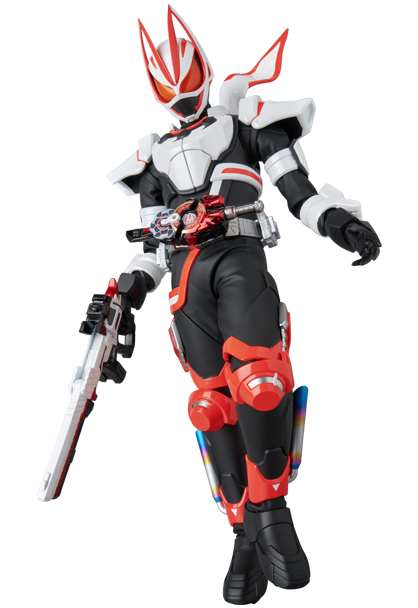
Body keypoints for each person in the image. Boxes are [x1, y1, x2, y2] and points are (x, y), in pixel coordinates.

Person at [107, 6, 381, 605]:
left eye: (184, 72)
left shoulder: (247, 124)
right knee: (210, 407)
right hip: (185, 280)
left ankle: (272, 515)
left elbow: (297, 190)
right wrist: (127, 292)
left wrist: (339, 223)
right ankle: (243, 535)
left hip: (239, 259)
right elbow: (151, 248)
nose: (178, 88)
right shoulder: (151, 160)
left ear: (203, 67)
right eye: (165, 79)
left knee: (260, 382)